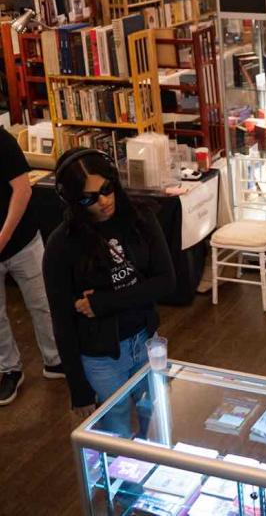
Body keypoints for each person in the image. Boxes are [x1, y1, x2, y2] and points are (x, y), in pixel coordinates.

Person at [43, 148, 175, 434]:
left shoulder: (141, 218)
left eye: (106, 189)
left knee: (156, 420)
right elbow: (62, 322)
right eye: (89, 198)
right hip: (99, 357)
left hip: (145, 340)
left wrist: (104, 303)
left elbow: (166, 282)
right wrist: (77, 388)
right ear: (73, 201)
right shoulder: (61, 246)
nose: (103, 201)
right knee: (117, 433)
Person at [0, 127, 63, 406]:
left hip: (23, 239)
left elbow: (22, 189)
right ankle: (9, 369)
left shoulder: (2, 141)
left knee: (44, 303)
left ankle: (55, 360)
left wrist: (3, 236)